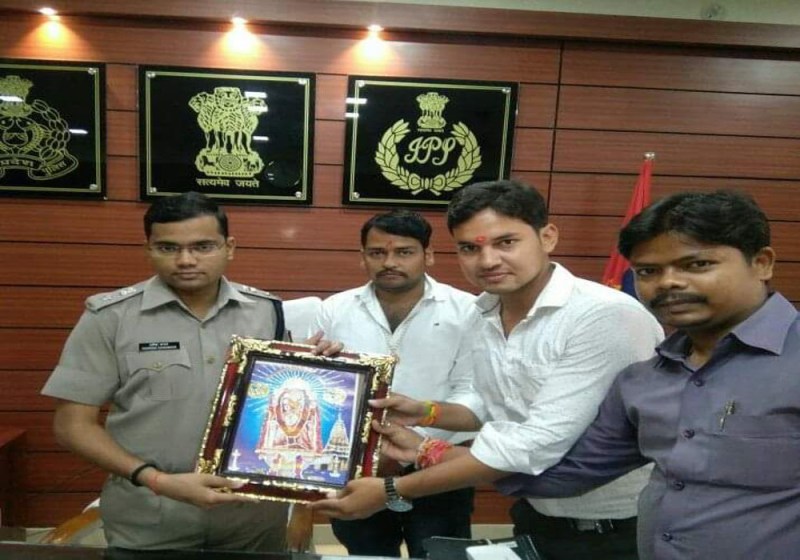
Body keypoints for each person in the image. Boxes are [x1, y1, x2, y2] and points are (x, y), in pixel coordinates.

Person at [312, 181, 664, 560]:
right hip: (535, 514)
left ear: (547, 237)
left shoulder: (603, 315)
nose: (488, 260)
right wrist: (424, 411)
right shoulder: (484, 312)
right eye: (470, 248)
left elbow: (536, 443)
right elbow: (491, 402)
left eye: (506, 242)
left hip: (618, 530)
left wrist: (397, 485)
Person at [495, 190, 798, 559]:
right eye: (648, 271)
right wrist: (449, 460)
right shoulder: (643, 380)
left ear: (762, 263)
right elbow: (575, 471)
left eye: (697, 264)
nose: (668, 282)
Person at [41, 192, 339, 552]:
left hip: (252, 517)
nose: (185, 260)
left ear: (229, 248)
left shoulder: (266, 312)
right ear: (148, 249)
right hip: (152, 514)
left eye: (203, 246)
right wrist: (157, 480)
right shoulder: (109, 318)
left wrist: (323, 368)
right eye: (168, 248)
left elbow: (284, 406)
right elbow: (72, 425)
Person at [311, 210, 478, 559]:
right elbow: (319, 389)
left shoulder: (468, 311)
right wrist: (316, 363)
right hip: (357, 466)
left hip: (439, 464)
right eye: (377, 253)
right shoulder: (335, 309)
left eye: (404, 252)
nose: (389, 262)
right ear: (363, 257)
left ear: (428, 255)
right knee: (366, 553)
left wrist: (416, 440)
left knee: (439, 554)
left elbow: (473, 392)